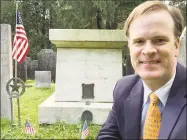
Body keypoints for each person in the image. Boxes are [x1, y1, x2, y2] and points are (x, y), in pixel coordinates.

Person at [97, 1, 186, 139]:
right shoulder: (124, 88)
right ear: (129, 47)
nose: (148, 50)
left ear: (176, 45)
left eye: (159, 40)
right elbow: (109, 134)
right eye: (139, 41)